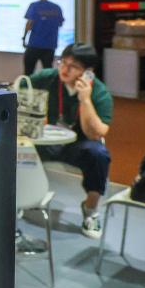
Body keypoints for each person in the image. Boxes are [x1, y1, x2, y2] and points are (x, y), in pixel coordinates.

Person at [29, 43, 113, 239]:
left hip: (78, 145)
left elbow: (97, 134)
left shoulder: (99, 92)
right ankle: (23, 197)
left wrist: (86, 100)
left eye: (73, 66)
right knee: (15, 147)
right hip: (46, 140)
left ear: (88, 72)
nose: (65, 69)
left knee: (99, 154)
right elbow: (18, 87)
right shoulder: (48, 78)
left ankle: (91, 211)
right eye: (62, 62)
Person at [23, 0, 64, 75]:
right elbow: (60, 24)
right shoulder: (56, 7)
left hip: (34, 44)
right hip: (50, 45)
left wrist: (24, 38)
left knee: (28, 72)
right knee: (47, 73)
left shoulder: (34, 6)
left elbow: (29, 24)